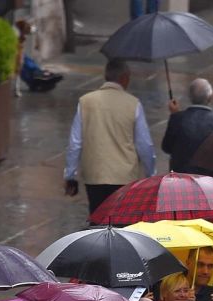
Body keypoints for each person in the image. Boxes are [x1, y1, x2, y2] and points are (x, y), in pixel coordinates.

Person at [63, 58, 155, 214]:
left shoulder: (85, 102)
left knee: (97, 217)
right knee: (121, 220)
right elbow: (144, 145)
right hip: (124, 176)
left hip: (95, 174)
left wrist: (70, 175)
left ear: (106, 76)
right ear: (124, 78)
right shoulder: (133, 104)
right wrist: (150, 174)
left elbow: (75, 143)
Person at [161, 78, 213, 174]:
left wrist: (175, 115)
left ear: (190, 97)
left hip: (181, 176)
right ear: (210, 97)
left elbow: (167, 147)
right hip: (207, 177)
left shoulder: (177, 118)